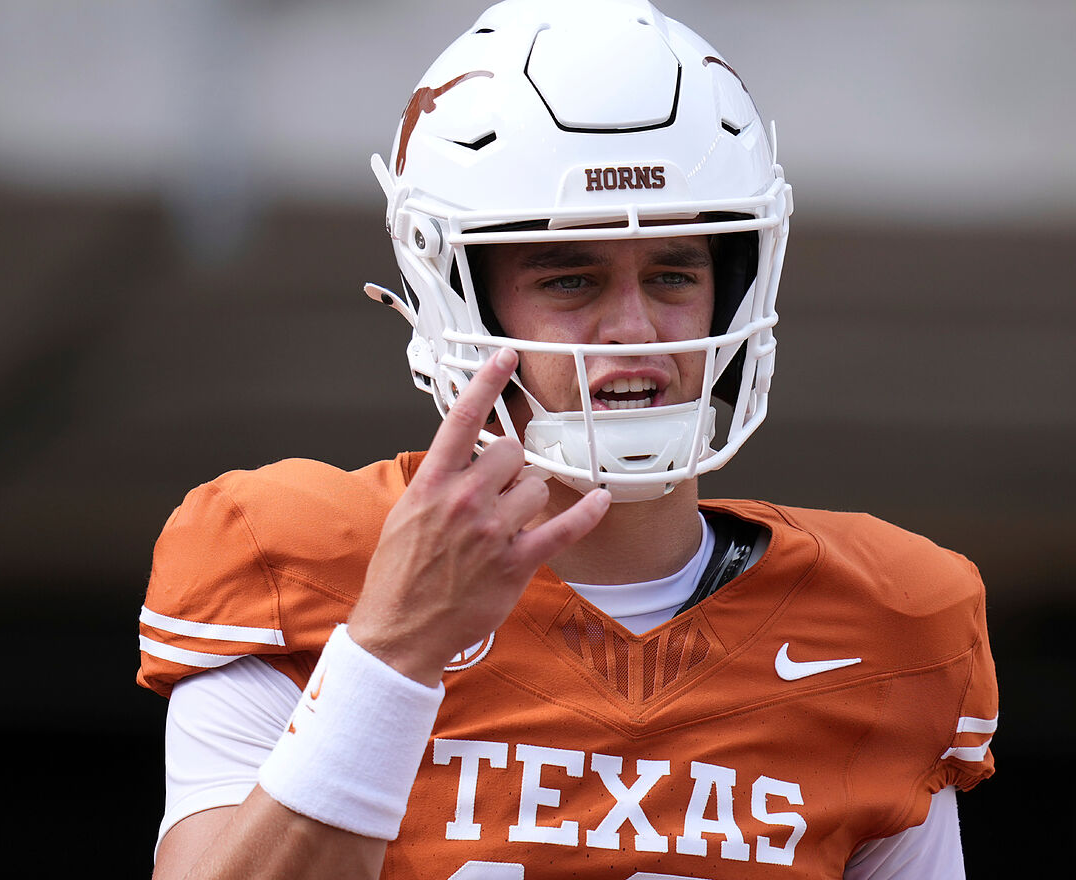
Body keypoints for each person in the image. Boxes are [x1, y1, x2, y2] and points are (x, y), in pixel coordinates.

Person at [137, 1, 998, 877]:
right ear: (460, 299)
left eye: (674, 272)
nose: (635, 330)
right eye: (571, 277)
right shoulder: (290, 560)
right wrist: (391, 650)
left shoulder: (886, 622)